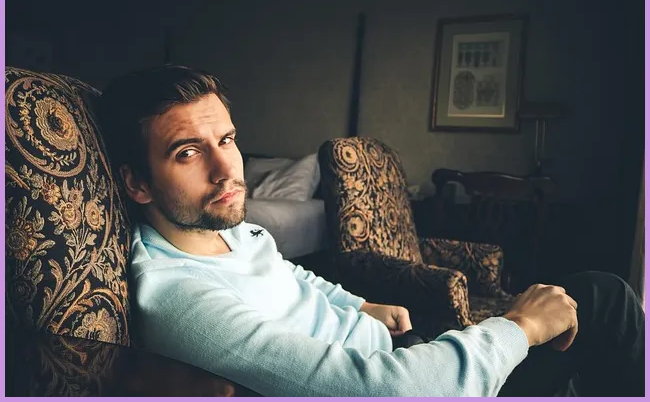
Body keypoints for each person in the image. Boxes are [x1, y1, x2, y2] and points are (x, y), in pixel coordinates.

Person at [97, 65, 644, 397]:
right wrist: (520, 327)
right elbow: (390, 389)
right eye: (187, 153)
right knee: (602, 300)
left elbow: (289, 274)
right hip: (410, 380)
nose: (227, 170)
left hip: (401, 344)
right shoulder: (181, 298)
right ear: (137, 183)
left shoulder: (230, 231)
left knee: (592, 324)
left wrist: (359, 305)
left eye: (227, 140)